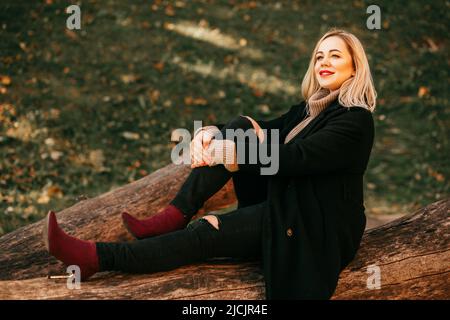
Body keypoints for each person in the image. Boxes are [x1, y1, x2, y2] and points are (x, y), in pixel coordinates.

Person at [43, 28, 376, 299]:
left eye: (335, 55)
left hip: (314, 226)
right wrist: (216, 132)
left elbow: (296, 159)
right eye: (319, 56)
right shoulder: (307, 111)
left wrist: (231, 154)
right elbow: (264, 129)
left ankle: (98, 257)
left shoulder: (355, 120)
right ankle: (176, 213)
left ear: (354, 67)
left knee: (209, 229)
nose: (324, 62)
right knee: (241, 126)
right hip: (287, 203)